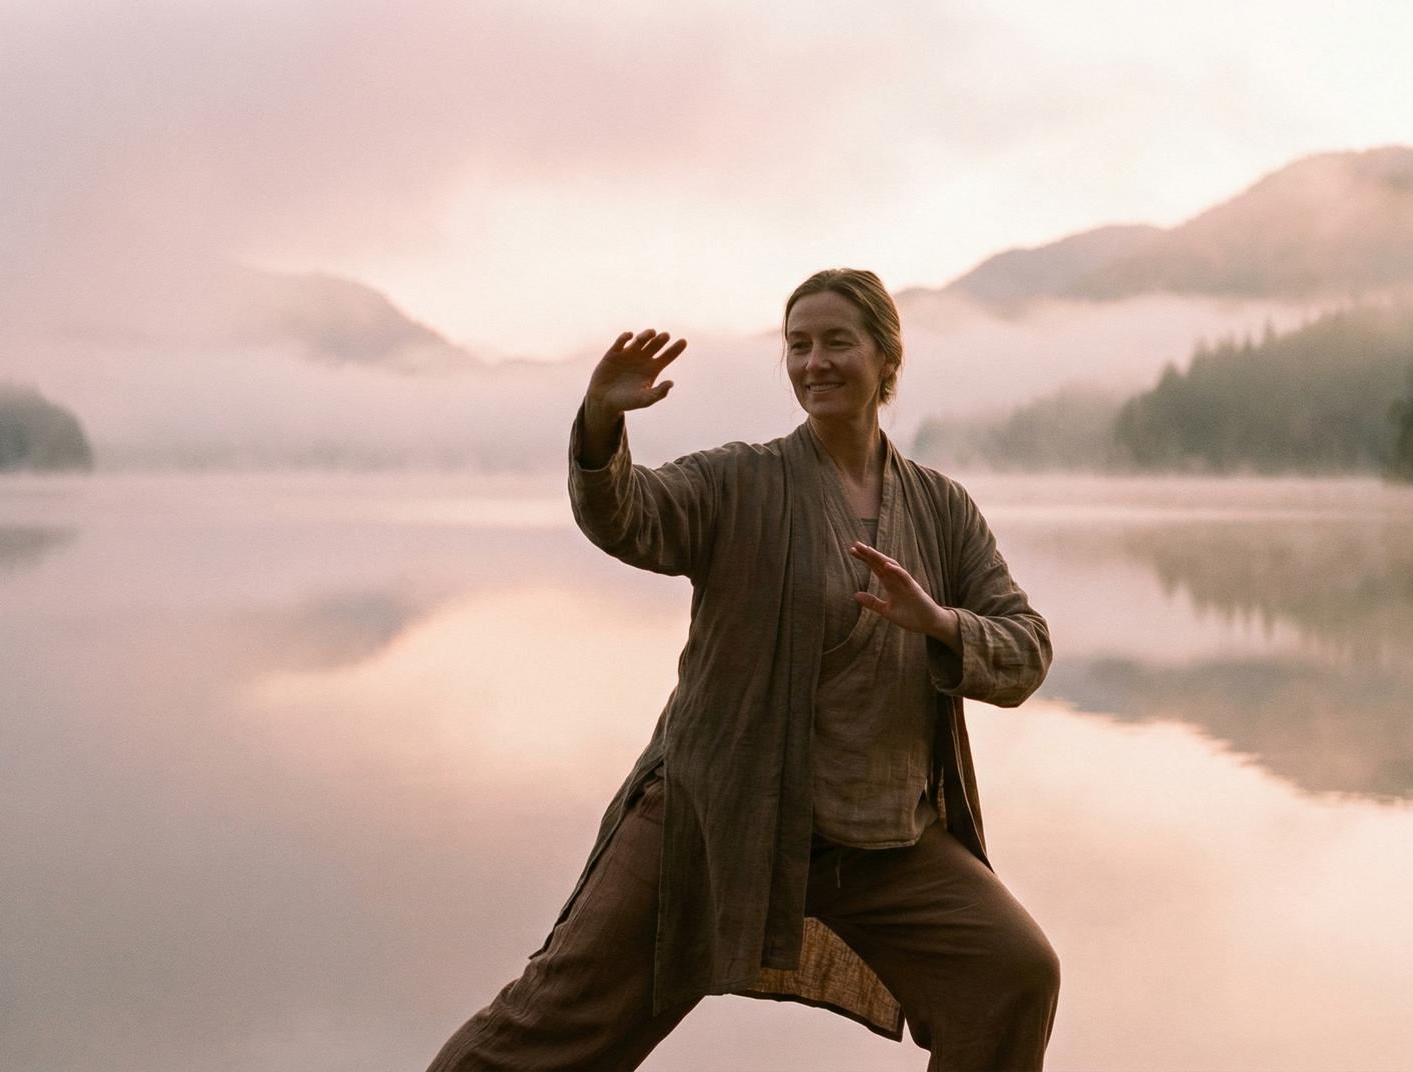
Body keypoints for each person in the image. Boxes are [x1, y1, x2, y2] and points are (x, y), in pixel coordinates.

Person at [429, 269, 1059, 1072]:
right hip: (718, 817)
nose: (813, 362)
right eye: (798, 346)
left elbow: (1026, 648)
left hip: (881, 841)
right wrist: (598, 426)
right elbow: (630, 515)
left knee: (1011, 976)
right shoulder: (742, 481)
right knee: (549, 1028)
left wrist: (937, 622)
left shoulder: (941, 508)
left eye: (837, 341)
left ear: (886, 357)